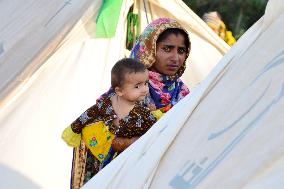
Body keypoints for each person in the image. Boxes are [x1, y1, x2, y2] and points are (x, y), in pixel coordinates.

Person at [62, 58, 162, 189]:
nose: (144, 89)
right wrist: (74, 129)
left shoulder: (144, 110)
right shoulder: (106, 104)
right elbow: (88, 114)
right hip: (104, 153)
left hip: (127, 162)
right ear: (119, 91)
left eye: (146, 83)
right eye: (137, 86)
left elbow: (158, 127)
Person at [111, 18, 191, 152]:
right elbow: (109, 140)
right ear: (148, 48)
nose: (175, 58)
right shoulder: (127, 86)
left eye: (181, 51)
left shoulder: (183, 92)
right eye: (167, 49)